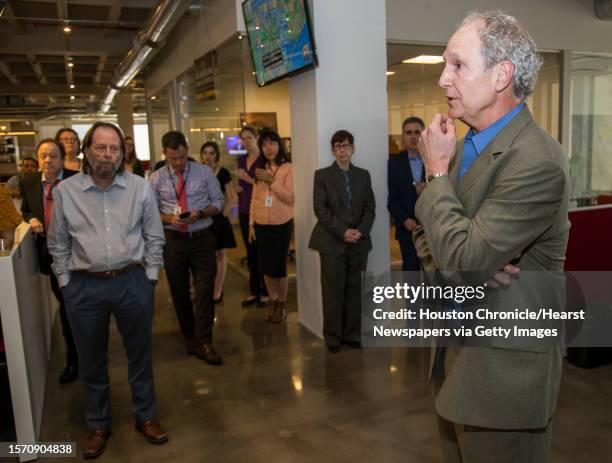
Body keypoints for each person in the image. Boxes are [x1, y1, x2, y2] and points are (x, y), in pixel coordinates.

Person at [413, 11, 570, 463]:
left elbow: (463, 260)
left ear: (502, 75)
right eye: (445, 64)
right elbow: (437, 248)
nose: (444, 79)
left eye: (457, 65)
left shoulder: (537, 159)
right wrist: (464, 255)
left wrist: (436, 175)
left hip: (505, 375)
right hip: (456, 357)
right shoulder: (465, 146)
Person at [47, 122, 168, 459]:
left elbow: (154, 236)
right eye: (101, 148)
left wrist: (150, 278)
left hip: (132, 282)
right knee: (91, 361)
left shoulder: (140, 188)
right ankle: (99, 422)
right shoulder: (65, 192)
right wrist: (66, 284)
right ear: (87, 151)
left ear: (122, 153)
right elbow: (57, 244)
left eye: (114, 149)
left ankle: (145, 416)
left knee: (140, 355)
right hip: (84, 287)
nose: (108, 155)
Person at [149, 131, 225, 365]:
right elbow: (150, 212)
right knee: (179, 292)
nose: (179, 162)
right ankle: (190, 337)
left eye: (182, 156)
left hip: (202, 238)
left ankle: (205, 341)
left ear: (187, 150)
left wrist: (201, 213)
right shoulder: (156, 178)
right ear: (165, 154)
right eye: (173, 158)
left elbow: (219, 202)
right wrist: (169, 219)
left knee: (204, 292)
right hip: (174, 241)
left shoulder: (203, 172)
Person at [308, 130, 375, 353]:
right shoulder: (322, 175)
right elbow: (321, 209)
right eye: (338, 146)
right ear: (332, 150)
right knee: (333, 292)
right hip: (332, 243)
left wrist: (360, 232)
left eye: (346, 145)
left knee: (355, 291)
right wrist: (343, 232)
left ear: (353, 148)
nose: (342, 150)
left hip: (358, 242)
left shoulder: (363, 175)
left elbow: (369, 208)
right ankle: (334, 337)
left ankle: (352, 334)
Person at [20, 139, 79, 384]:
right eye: (43, 156)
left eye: (53, 156)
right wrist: (32, 219)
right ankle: (74, 360)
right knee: (66, 307)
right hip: (51, 255)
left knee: (82, 308)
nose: (47, 160)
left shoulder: (76, 180)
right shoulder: (29, 182)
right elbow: (25, 210)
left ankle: (89, 355)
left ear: (61, 157)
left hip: (78, 254)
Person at [248, 129, 294, 323]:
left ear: (279, 146)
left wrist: (272, 181)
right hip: (261, 223)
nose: (269, 148)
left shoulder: (288, 168)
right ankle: (273, 300)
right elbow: (254, 198)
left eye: (272, 143)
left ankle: (281, 303)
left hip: (280, 223)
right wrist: (251, 223)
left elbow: (290, 198)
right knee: (265, 267)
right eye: (265, 144)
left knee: (278, 267)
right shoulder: (260, 169)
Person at [200, 141, 238, 304]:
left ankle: (218, 290)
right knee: (204, 255)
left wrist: (224, 213)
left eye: (211, 153)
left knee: (220, 254)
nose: (208, 156)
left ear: (216, 156)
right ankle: (205, 289)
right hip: (202, 218)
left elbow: (232, 197)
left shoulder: (223, 173)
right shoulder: (198, 172)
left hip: (218, 219)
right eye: (205, 153)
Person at [236, 126, 270, 307]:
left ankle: (266, 291)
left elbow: (265, 185)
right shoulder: (241, 159)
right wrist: (238, 187)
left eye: (249, 137)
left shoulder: (263, 159)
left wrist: (248, 180)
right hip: (244, 209)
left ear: (257, 138)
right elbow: (241, 185)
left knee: (262, 251)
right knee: (250, 252)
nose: (246, 141)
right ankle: (254, 291)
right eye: (243, 138)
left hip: (260, 209)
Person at [387, 117, 426, 272]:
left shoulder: (434, 159)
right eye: (408, 132)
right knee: (412, 276)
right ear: (403, 136)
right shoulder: (394, 163)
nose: (413, 136)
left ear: (423, 135)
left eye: (417, 132)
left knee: (435, 278)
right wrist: (404, 219)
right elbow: (392, 199)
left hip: (432, 229)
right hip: (407, 231)